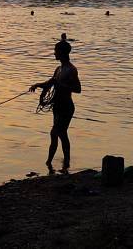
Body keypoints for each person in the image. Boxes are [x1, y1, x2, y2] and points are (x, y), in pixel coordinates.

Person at [29, 39, 81, 170]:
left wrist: (61, 85)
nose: (54, 53)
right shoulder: (58, 69)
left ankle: (50, 162)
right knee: (61, 134)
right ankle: (64, 163)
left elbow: (78, 89)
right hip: (57, 106)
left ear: (62, 53)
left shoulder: (71, 69)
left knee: (55, 132)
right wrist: (37, 85)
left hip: (67, 106)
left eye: (56, 51)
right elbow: (50, 83)